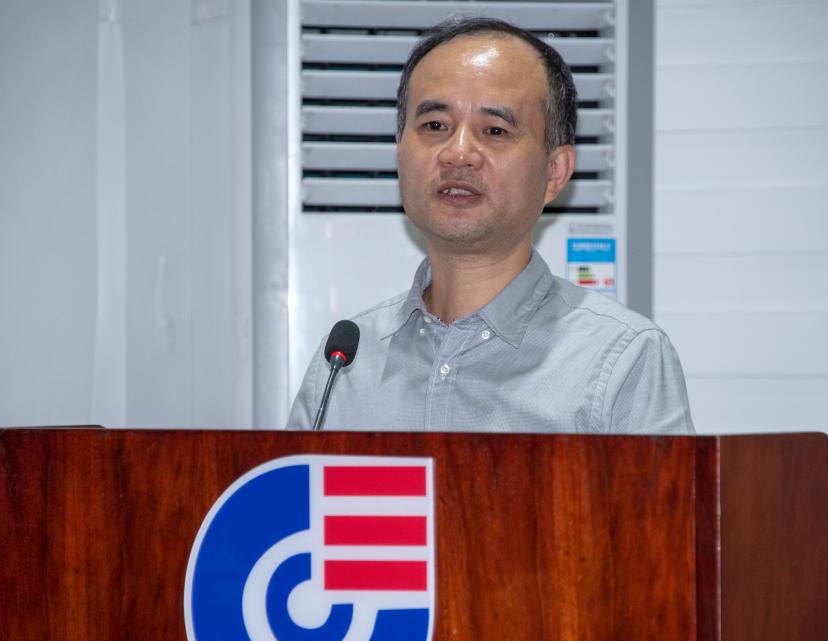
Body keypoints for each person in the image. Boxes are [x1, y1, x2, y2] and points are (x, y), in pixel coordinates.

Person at [288, 17, 694, 434]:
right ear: (399, 152)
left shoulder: (623, 359)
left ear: (555, 172)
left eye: (495, 130)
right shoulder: (344, 364)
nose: (458, 153)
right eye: (435, 126)